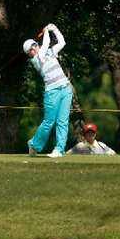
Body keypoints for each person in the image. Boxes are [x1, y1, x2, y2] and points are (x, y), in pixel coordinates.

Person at [24, 23, 73, 159]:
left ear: (36, 44)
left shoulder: (51, 52)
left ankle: (59, 149)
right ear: (29, 54)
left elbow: (62, 42)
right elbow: (46, 44)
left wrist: (55, 29)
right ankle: (34, 144)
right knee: (48, 122)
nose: (34, 49)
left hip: (65, 89)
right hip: (52, 92)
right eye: (31, 50)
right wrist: (46, 32)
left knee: (62, 121)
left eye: (34, 46)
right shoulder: (36, 60)